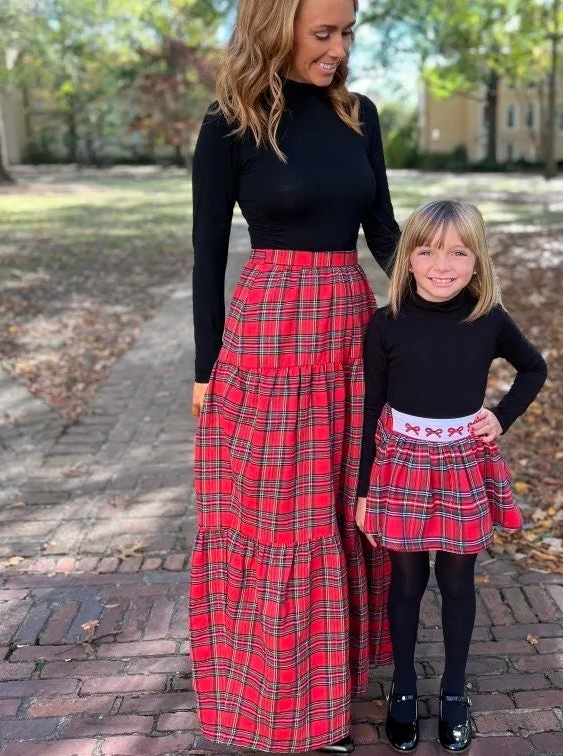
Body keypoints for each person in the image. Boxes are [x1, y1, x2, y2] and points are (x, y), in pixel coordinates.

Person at [188, 0, 398, 752]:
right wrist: (205, 368)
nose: (338, 50)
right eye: (323, 34)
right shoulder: (229, 123)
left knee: (346, 508)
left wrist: (446, 304)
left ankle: (331, 687)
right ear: (277, 29)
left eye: (346, 34)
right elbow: (206, 251)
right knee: (285, 518)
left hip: (349, 330)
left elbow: (384, 232)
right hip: (269, 339)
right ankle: (285, 702)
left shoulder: (360, 116)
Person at [356, 200, 547, 752]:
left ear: (477, 259)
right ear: (408, 259)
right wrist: (366, 490)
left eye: (458, 252)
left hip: (463, 463)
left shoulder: (488, 320)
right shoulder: (387, 322)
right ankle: (406, 691)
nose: (443, 265)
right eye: (428, 251)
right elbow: (372, 409)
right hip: (400, 467)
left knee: (457, 582)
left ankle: (456, 690)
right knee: (408, 583)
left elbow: (534, 367)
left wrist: (501, 416)